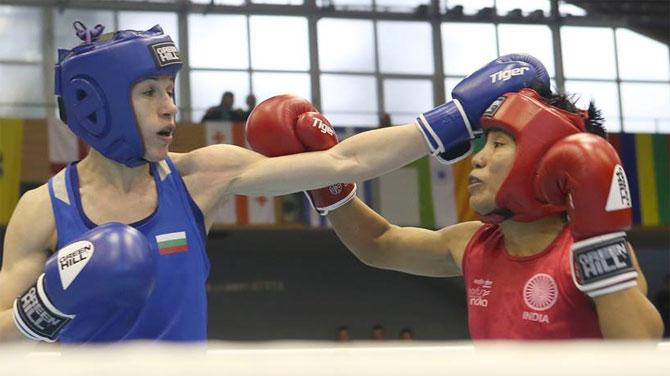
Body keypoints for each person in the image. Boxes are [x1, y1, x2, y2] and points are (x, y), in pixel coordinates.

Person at [0, 21, 548, 343]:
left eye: (171, 90)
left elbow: (344, 163)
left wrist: (451, 119)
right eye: (150, 93)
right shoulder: (42, 210)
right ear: (97, 105)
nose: (170, 108)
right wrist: (42, 308)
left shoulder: (199, 176)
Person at [316, 88, 664, 339]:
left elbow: (641, 350)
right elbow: (379, 243)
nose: (478, 158)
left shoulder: (582, 253)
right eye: (483, 144)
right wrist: (325, 183)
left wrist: (601, 246)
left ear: (549, 163)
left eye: (498, 145)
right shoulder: (473, 243)